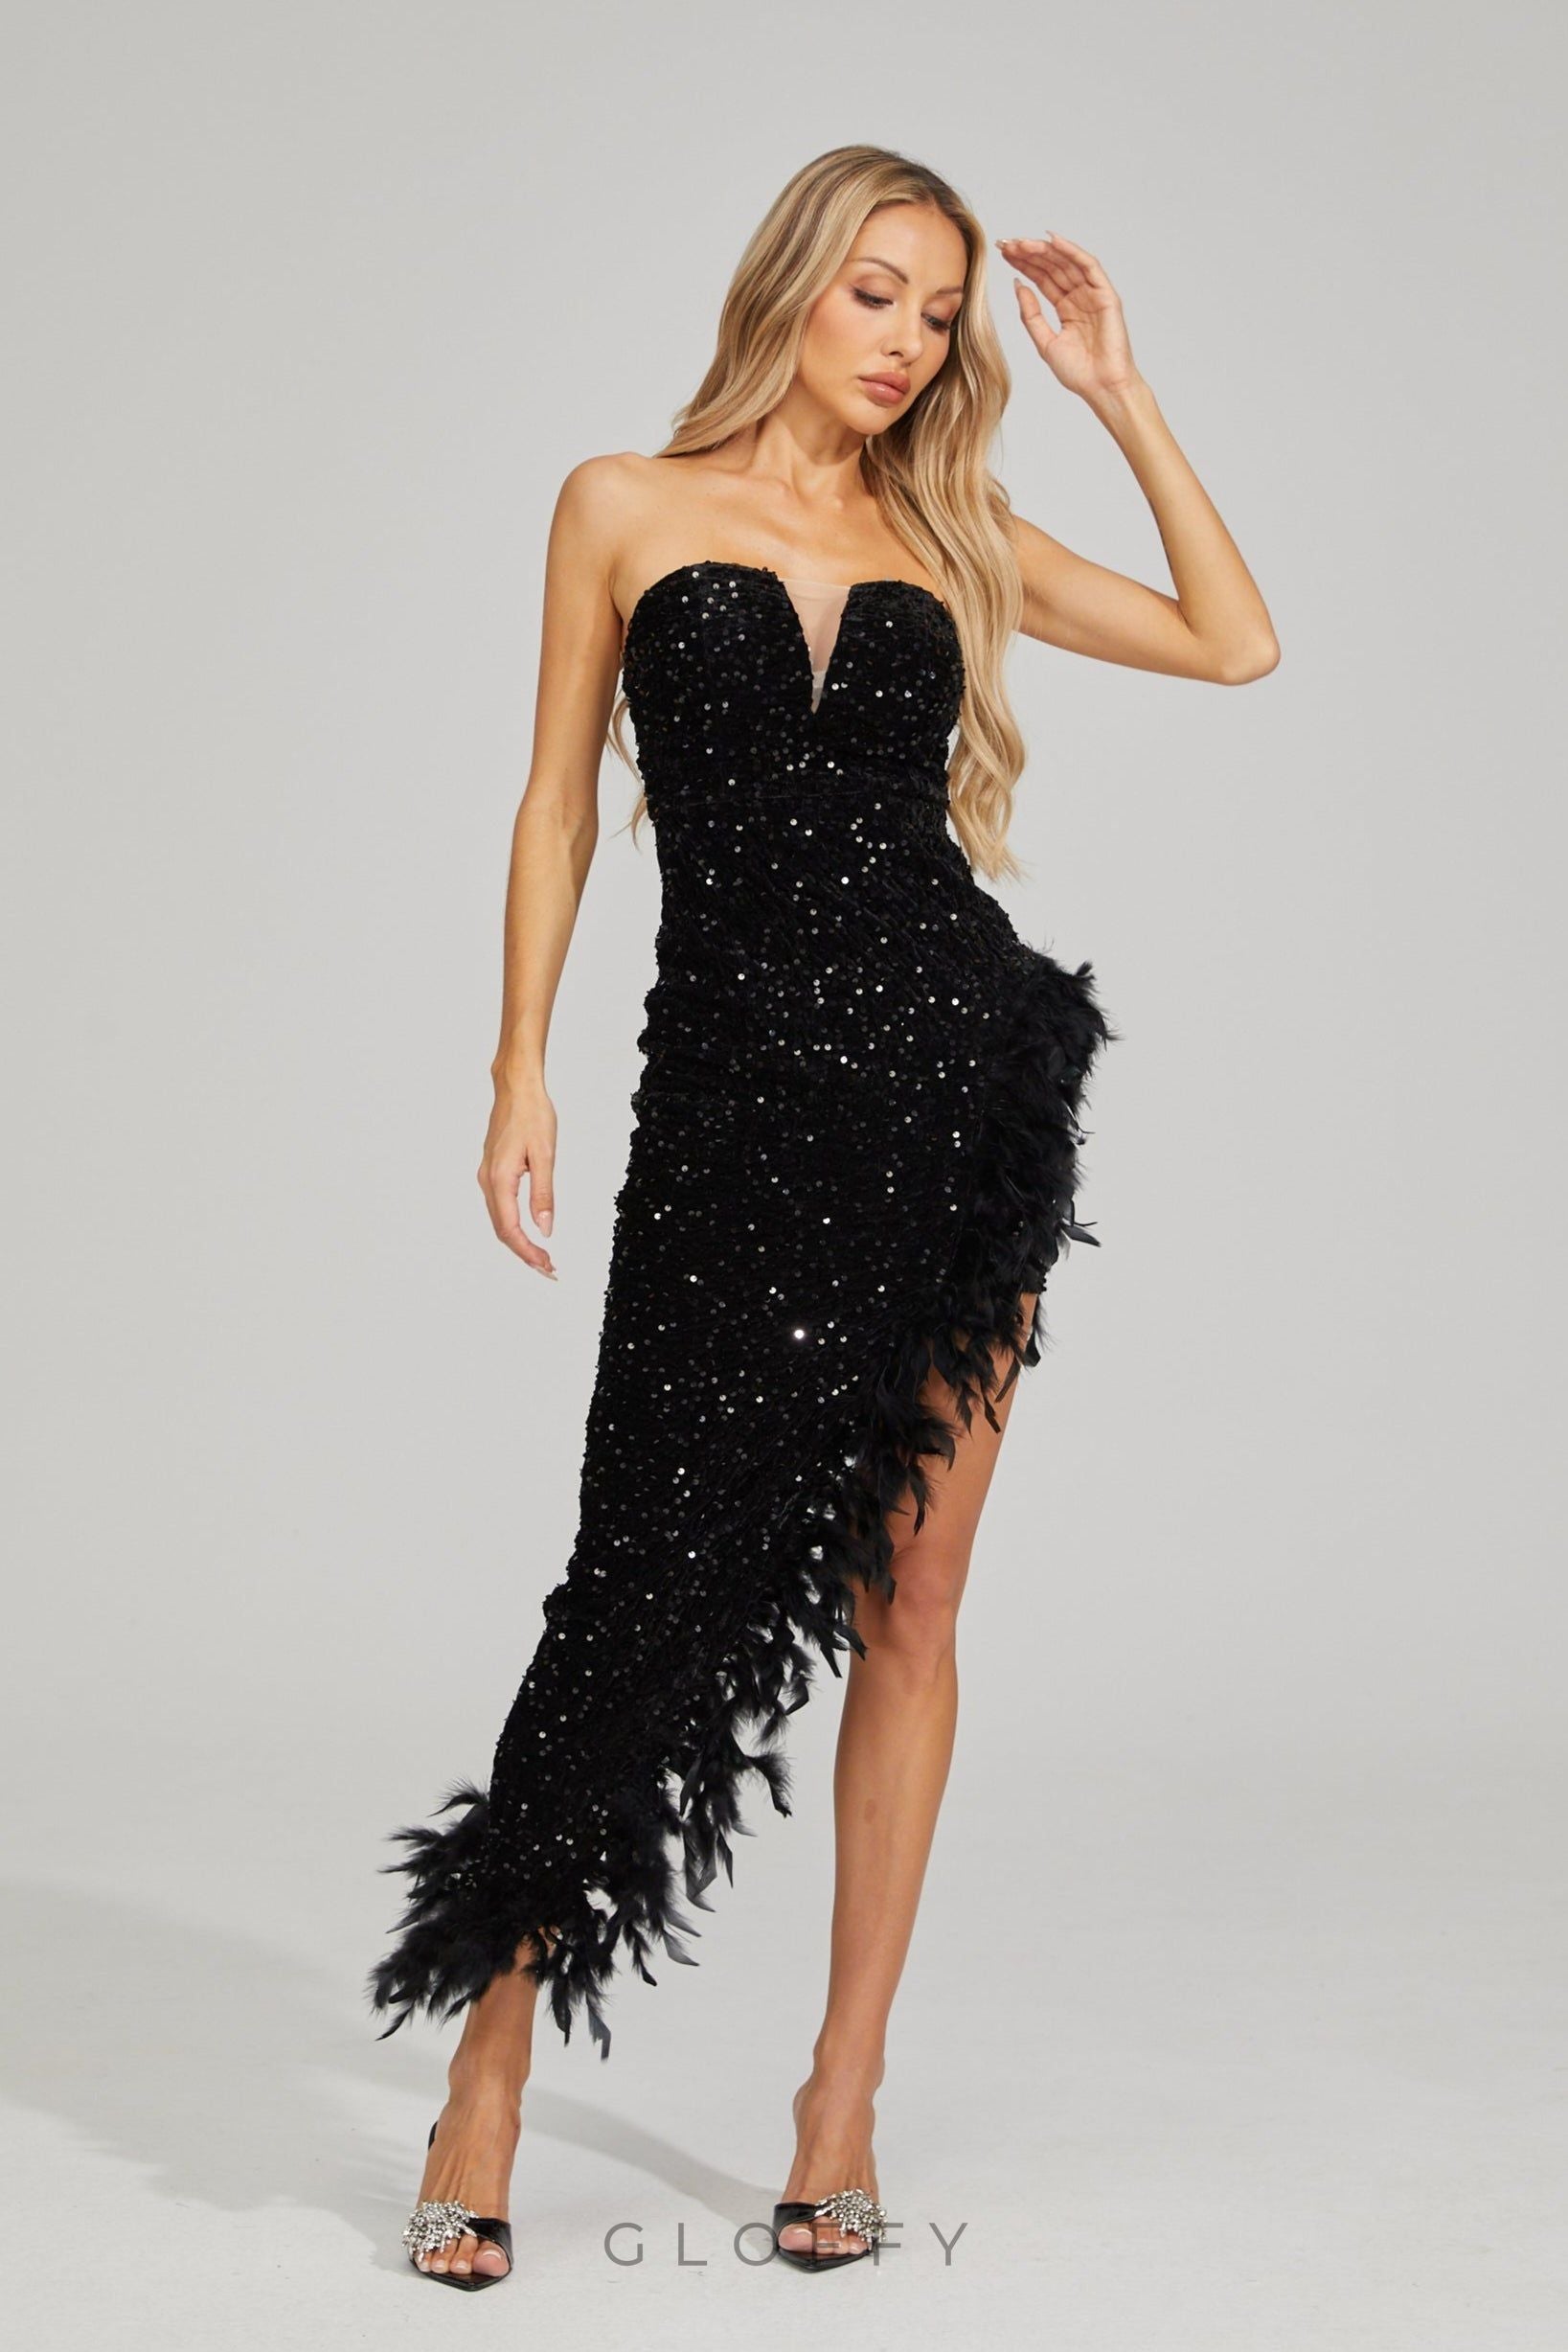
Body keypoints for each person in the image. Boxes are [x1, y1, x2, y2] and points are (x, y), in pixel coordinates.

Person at [368, 142, 1279, 2288]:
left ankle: (838, 2095)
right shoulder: (620, 503)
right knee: (634, 1574)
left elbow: (1232, 644)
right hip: (729, 1104)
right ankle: (488, 2067)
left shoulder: (948, 533)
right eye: (878, 292)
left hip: (960, 1103)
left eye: (940, 314)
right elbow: (556, 797)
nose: (907, 342)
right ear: (790, 281)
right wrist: (517, 1062)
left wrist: (1118, 389)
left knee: (916, 1603)